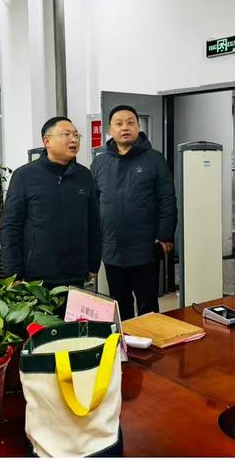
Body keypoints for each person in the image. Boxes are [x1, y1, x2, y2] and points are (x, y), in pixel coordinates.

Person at [91, 105, 177, 320]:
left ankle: (151, 339)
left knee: (147, 302)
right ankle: (125, 339)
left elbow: (167, 199)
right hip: (112, 245)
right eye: (119, 123)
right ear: (110, 130)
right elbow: (93, 203)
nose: (125, 127)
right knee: (119, 302)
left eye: (130, 123)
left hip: (145, 245)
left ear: (138, 126)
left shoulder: (154, 159)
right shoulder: (100, 162)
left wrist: (165, 235)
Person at [0, 116, 101, 288]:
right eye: (66, 134)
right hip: (36, 275)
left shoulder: (84, 175)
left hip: (75, 271)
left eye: (76, 135)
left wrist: (93, 263)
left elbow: (94, 223)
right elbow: (10, 226)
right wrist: (13, 273)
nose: (74, 139)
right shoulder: (24, 176)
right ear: (47, 141)